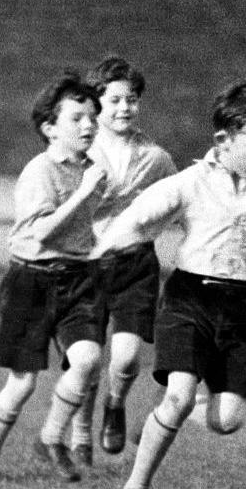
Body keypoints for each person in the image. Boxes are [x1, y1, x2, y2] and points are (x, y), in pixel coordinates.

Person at [93, 82, 246, 489]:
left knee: (226, 421)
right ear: (223, 140)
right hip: (189, 300)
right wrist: (101, 254)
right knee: (181, 396)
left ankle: (167, 408)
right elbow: (135, 220)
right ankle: (137, 486)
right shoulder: (190, 183)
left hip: (244, 311)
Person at [0, 71, 107, 485]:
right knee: (23, 383)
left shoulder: (92, 170)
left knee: (86, 359)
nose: (88, 125)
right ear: (50, 129)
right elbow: (42, 231)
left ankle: (51, 438)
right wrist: (84, 193)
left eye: (92, 117)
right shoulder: (39, 172)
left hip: (79, 278)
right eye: (77, 118)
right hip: (31, 281)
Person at [67, 57, 178, 466]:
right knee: (86, 357)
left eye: (131, 100)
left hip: (135, 265)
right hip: (84, 264)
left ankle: (115, 404)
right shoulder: (79, 149)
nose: (124, 108)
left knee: (127, 356)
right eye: (113, 100)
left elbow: (181, 201)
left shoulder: (156, 157)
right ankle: (80, 430)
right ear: (97, 102)